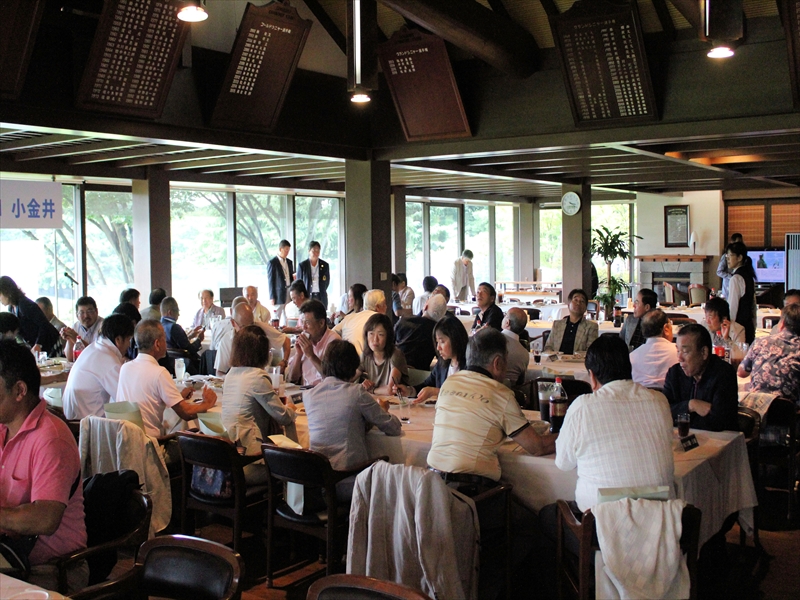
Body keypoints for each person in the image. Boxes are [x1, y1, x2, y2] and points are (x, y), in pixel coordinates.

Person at [0, 340, 88, 594]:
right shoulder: (4, 428)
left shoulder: (50, 438)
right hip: (10, 553)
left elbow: (46, 518)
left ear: (19, 390)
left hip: (52, 568)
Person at [553, 335, 674, 512]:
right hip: (659, 516)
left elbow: (563, 463)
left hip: (600, 520)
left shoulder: (583, 407)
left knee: (548, 514)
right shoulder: (659, 401)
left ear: (592, 376)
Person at [427, 328, 556, 485]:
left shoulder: (449, 383)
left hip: (434, 483)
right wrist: (568, 437)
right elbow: (537, 447)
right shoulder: (500, 394)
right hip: (472, 488)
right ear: (498, 363)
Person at [304, 339, 401, 473]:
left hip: (317, 475)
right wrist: (383, 411)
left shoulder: (309, 395)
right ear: (353, 367)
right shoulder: (356, 392)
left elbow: (343, 424)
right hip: (349, 475)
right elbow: (394, 428)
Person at [116, 320, 216, 438]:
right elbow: (186, 413)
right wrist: (207, 403)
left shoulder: (125, 368)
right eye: (164, 338)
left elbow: (148, 399)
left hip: (126, 440)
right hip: (150, 443)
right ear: (157, 344)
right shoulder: (159, 373)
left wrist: (178, 397)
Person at [221, 325, 297, 483]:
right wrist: (291, 409)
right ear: (263, 352)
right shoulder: (257, 377)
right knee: (293, 468)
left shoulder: (230, 374)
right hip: (250, 461)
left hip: (230, 458)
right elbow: (283, 417)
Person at [663, 323, 738, 431]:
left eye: (685, 351)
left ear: (704, 352)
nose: (679, 358)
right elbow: (662, 412)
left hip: (719, 438)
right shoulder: (674, 373)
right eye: (678, 351)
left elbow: (719, 422)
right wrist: (690, 405)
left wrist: (680, 415)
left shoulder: (724, 374)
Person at [62, 314, 134, 420]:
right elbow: (126, 401)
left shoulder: (94, 348)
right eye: (129, 339)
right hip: (86, 424)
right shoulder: (108, 360)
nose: (129, 345)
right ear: (118, 340)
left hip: (73, 419)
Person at [394, 313, 469, 404]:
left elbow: (468, 394)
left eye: (442, 342)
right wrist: (410, 391)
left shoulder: (470, 366)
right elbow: (427, 385)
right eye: (437, 342)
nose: (438, 348)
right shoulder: (442, 364)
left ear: (455, 339)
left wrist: (436, 392)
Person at [738, 304, 800, 401]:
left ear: (782, 323)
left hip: (754, 406)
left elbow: (741, 372)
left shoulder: (761, 342)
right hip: (787, 407)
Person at [215, 302, 290, 376]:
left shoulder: (261, 329)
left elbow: (285, 340)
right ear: (233, 323)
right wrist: (229, 379)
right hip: (238, 379)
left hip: (262, 377)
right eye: (243, 327)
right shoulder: (226, 341)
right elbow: (219, 372)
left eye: (251, 325)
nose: (248, 331)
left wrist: (284, 361)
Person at [287, 299, 340, 387]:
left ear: (321, 323)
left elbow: (333, 380)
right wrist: (298, 355)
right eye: (302, 322)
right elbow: (292, 379)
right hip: (304, 391)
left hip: (324, 392)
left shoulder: (334, 342)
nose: (304, 327)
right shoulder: (305, 341)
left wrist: (311, 355)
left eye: (307, 323)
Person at [0, 276, 59, 354]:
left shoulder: (24, 304)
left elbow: (44, 324)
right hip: (36, 345)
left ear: (7, 292)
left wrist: (38, 344)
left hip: (50, 342)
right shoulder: (11, 308)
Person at [358, 313, 409, 395]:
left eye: (380, 334)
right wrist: (362, 386)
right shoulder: (365, 355)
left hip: (397, 401)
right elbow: (348, 380)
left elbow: (390, 390)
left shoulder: (396, 355)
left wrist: (371, 390)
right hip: (375, 400)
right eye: (371, 334)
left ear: (388, 337)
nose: (375, 339)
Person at [394, 294, 448, 370]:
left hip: (396, 369)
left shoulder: (403, 321)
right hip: (421, 374)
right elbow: (443, 360)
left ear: (425, 307)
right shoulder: (437, 333)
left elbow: (389, 345)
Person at [630, 309, 678, 389]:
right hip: (670, 396)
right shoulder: (679, 353)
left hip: (641, 395)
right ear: (666, 328)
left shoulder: (632, 357)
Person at [543, 288, 599, 354]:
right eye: (575, 300)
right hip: (557, 359)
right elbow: (548, 347)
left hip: (578, 360)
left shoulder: (591, 327)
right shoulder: (557, 324)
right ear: (569, 305)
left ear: (585, 308)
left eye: (582, 301)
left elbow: (591, 352)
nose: (578, 303)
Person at [333, 288, 385, 355]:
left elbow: (331, 333)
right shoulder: (380, 320)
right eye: (384, 304)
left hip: (344, 357)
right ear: (378, 307)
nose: (386, 307)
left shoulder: (349, 317)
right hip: (365, 359)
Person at [725, 240, 757, 343]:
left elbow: (732, 307)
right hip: (748, 326)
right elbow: (753, 306)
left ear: (739, 258)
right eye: (727, 256)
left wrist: (729, 330)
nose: (727, 259)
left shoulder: (736, 278)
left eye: (730, 255)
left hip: (739, 329)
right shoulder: (748, 276)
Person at [160, 296, 203, 372]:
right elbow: (189, 349)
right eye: (177, 311)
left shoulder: (158, 326)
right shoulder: (174, 327)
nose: (179, 314)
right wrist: (199, 339)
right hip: (184, 364)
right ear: (170, 312)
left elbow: (176, 343)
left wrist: (189, 336)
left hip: (169, 362)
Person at [61, 296, 104, 362]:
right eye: (82, 313)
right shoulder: (75, 326)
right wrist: (69, 337)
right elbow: (70, 358)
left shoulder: (104, 326)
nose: (86, 316)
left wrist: (77, 340)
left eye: (89, 311)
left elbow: (97, 356)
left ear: (96, 311)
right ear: (77, 315)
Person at [296, 240, 330, 309]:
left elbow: (327, 281)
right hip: (307, 296)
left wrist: (322, 289)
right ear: (309, 251)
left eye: (318, 251)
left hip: (321, 296)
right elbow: (299, 283)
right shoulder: (302, 265)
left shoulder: (325, 265)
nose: (316, 253)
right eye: (313, 251)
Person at [267, 239, 294, 325]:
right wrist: (272, 297)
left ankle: (286, 329)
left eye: (288, 250)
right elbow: (270, 281)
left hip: (289, 290)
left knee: (287, 313)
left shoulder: (289, 262)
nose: (287, 252)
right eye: (286, 250)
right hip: (278, 293)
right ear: (280, 249)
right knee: (276, 315)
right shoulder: (272, 263)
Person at [501, 307, 530, 387]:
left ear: (507, 322)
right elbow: (521, 382)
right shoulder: (524, 354)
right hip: (509, 391)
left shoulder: (490, 339)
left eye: (505, 315)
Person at [716, 233, 744, 299]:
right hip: (728, 287)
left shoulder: (744, 257)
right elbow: (719, 271)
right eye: (737, 242)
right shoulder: (725, 256)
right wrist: (730, 276)